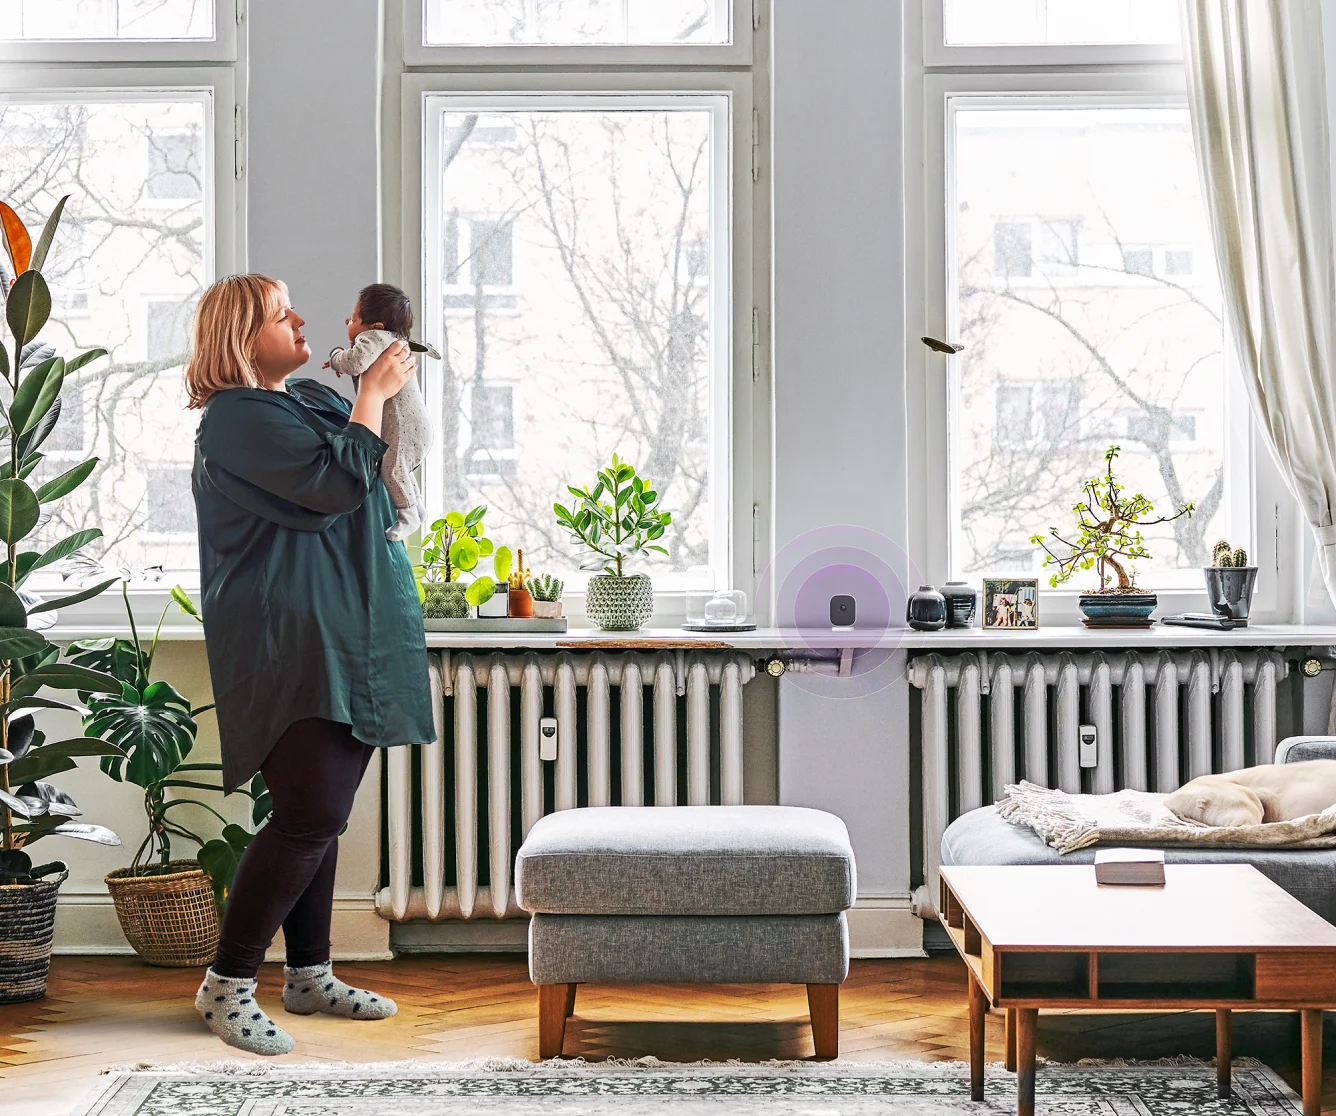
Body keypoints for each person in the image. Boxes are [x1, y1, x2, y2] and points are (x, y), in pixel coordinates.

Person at [184, 274, 434, 1055]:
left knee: (317, 815)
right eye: (277, 313)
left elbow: (380, 461)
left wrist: (385, 390)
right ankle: (227, 984)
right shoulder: (235, 418)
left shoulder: (312, 400)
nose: (299, 319)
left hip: (351, 633)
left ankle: (308, 974)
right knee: (310, 814)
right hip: (289, 640)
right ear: (239, 337)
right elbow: (334, 485)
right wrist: (371, 392)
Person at [327, 283, 435, 543]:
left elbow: (354, 363)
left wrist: (335, 357)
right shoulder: (393, 341)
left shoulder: (374, 338)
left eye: (353, 318)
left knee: (392, 469)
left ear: (375, 326)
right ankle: (417, 507)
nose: (347, 322)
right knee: (401, 468)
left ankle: (408, 516)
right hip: (415, 427)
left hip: (404, 428)